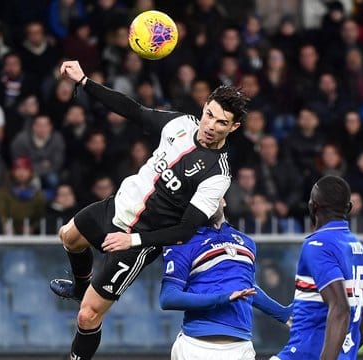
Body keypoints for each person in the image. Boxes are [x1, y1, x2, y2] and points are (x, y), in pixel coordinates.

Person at [50, 60, 248, 360]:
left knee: (87, 316)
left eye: (222, 123)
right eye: (210, 115)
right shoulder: (181, 124)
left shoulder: (217, 175)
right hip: (117, 206)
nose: (211, 126)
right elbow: (132, 109)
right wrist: (84, 81)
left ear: (234, 127)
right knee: (68, 236)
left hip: (138, 240)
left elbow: (185, 231)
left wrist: (133, 241)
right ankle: (80, 287)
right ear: (204, 107)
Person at [160, 201, 292, 359]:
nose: (208, 198)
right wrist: (223, 298)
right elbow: (168, 298)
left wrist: (282, 313)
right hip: (196, 347)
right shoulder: (182, 241)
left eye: (213, 193)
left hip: (241, 347)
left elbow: (248, 289)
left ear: (223, 200)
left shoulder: (246, 241)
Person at [272, 175, 363, 360]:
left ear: (313, 206)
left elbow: (340, 307)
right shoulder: (359, 248)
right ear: (349, 208)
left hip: (303, 354)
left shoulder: (317, 244)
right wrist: (345, 352)